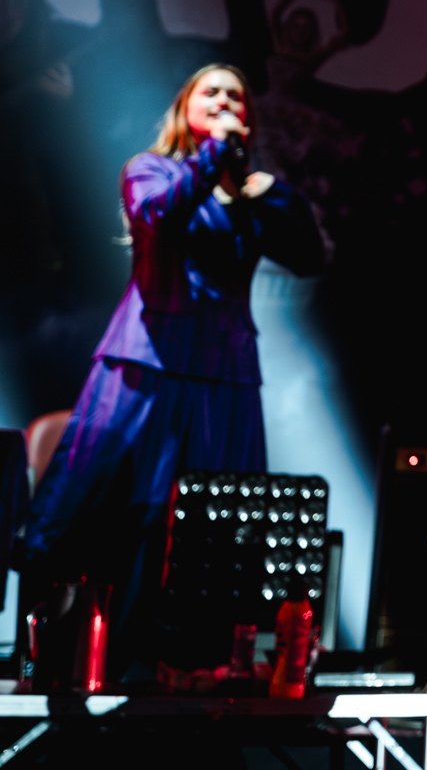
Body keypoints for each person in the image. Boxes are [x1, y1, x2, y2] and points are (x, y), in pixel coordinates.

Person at [16, 63, 325, 669]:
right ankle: (74, 652)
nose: (225, 101)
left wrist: (267, 192)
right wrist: (212, 159)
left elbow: (309, 257)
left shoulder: (251, 199)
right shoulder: (152, 170)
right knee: (124, 506)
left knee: (209, 528)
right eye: (211, 92)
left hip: (225, 375)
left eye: (236, 96)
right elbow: (160, 218)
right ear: (186, 108)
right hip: (148, 363)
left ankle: (189, 666)